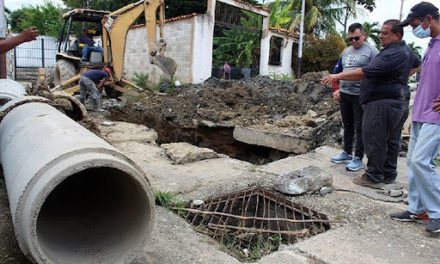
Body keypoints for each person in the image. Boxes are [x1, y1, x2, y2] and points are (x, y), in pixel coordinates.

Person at [322, 19, 420, 187]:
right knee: (391, 139)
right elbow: (416, 64)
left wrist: (337, 77)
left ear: (397, 35)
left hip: (383, 102)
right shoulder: (403, 51)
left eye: (385, 33)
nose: (381, 36)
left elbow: (365, 72)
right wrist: (399, 78)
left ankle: (373, 176)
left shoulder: (390, 53)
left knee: (374, 138)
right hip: (394, 99)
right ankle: (388, 173)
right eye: (380, 32)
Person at [390, 2, 440, 234]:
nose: (414, 29)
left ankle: (438, 213)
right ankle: (417, 208)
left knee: (422, 161)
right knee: (412, 162)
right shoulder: (432, 45)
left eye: (414, 24)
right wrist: (415, 113)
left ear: (428, 19)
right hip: (422, 113)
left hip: (437, 116)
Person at [330, 23, 379, 171]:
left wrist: (369, 96)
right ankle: (347, 152)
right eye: (350, 39)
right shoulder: (346, 52)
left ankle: (358, 157)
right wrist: (336, 89)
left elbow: (376, 74)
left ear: (364, 35)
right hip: (345, 94)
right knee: (348, 125)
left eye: (356, 38)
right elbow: (337, 70)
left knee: (360, 127)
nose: (353, 41)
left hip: (360, 96)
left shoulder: (372, 52)